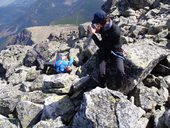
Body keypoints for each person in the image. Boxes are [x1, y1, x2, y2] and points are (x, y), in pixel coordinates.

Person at [87, 10, 125, 88]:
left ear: (101, 23)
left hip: (115, 50)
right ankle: (102, 88)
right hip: (105, 50)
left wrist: (92, 34)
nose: (95, 24)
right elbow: (102, 31)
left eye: (96, 23)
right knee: (101, 73)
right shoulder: (105, 25)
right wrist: (96, 30)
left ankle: (118, 89)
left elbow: (101, 45)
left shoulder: (115, 31)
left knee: (120, 71)